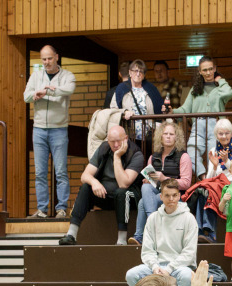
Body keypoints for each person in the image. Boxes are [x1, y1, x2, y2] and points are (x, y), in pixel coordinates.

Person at [58, 125, 145, 246]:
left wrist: (117, 157)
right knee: (85, 187)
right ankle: (71, 234)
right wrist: (94, 182)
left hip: (128, 198)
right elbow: (84, 176)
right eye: (112, 142)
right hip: (105, 195)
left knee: (121, 193)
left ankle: (121, 240)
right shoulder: (104, 148)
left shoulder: (136, 154)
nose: (115, 145)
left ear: (126, 138)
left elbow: (124, 184)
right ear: (107, 141)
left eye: (118, 141)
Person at [23, 45, 75, 218]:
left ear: (56, 57)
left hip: (59, 129)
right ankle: (42, 210)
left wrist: (47, 91)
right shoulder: (36, 75)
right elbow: (26, 96)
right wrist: (35, 94)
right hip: (38, 129)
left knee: (60, 171)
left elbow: (68, 90)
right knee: (39, 173)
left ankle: (61, 209)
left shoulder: (67, 75)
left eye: (49, 58)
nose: (46, 62)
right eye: (44, 59)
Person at [124, 179, 197, 286]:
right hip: (156, 266)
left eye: (174, 195)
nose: (171, 199)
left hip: (179, 267)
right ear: (161, 197)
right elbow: (147, 250)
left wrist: (169, 269)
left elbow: (189, 253)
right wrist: (154, 267)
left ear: (179, 196)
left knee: (187, 276)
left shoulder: (189, 218)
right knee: (131, 275)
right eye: (167, 195)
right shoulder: (153, 218)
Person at [131, 120, 193, 245]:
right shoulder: (153, 157)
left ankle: (140, 235)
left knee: (143, 202)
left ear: (176, 137)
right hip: (158, 192)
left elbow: (186, 183)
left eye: (171, 134)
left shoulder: (183, 156)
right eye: (165, 134)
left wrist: (164, 178)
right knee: (145, 187)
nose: (168, 137)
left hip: (175, 195)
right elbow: (152, 182)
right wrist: (149, 180)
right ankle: (151, 222)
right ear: (161, 136)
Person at [176, 57, 232, 179]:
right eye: (205, 70)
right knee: (191, 152)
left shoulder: (220, 88)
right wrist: (171, 112)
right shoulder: (195, 89)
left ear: (215, 69)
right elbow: (185, 110)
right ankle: (204, 178)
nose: (208, 72)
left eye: (210, 69)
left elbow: (229, 93)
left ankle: (212, 180)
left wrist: (220, 80)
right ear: (200, 72)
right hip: (198, 125)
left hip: (216, 125)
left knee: (214, 155)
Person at [110, 60, 163, 157]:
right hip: (129, 134)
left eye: (141, 71)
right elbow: (113, 109)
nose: (138, 74)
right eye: (135, 71)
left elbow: (160, 110)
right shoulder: (121, 88)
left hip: (149, 135)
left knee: (148, 160)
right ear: (130, 72)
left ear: (144, 74)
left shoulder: (151, 89)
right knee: (132, 160)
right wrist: (124, 112)